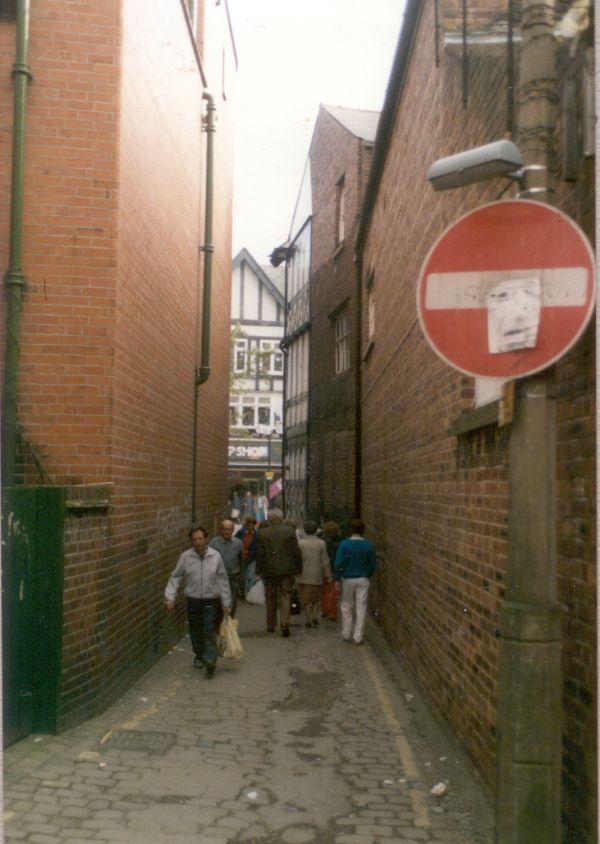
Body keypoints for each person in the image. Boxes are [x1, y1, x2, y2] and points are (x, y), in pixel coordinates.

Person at [164, 526, 232, 678]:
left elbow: (222, 580)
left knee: (209, 629)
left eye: (200, 538)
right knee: (195, 631)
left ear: (206, 539)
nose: (198, 542)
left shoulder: (215, 556)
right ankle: (200, 655)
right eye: (194, 539)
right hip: (193, 599)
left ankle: (210, 661)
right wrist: (170, 597)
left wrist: (226, 602)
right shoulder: (186, 557)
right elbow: (175, 576)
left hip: (210, 599)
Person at [255, 508, 302, 637]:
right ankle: (284, 624)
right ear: (281, 518)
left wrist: (258, 570)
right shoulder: (289, 532)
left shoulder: (263, 533)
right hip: (286, 570)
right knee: (285, 596)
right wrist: (298, 568)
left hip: (268, 570)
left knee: (270, 597)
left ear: (269, 519)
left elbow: (260, 554)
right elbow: (295, 552)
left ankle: (270, 625)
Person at [333, 518, 376, 645]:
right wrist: (367, 575)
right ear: (363, 530)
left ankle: (346, 633)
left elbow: (338, 563)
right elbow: (372, 564)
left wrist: (337, 578)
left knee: (346, 605)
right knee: (361, 607)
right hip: (363, 578)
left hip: (348, 578)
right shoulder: (368, 545)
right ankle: (358, 636)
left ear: (351, 530)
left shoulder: (344, 544)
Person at [297, 520, 332, 628]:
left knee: (305, 598)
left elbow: (297, 560)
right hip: (317, 574)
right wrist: (328, 574)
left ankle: (308, 618)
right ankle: (314, 616)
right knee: (316, 598)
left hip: (303, 574)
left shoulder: (300, 543)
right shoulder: (321, 543)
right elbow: (325, 560)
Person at [209, 520, 243, 617]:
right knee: (218, 602)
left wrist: (241, 577)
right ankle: (219, 625)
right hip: (218, 577)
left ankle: (229, 623)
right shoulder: (214, 543)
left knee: (232, 601)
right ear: (220, 530)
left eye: (229, 529)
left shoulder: (238, 543)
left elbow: (241, 560)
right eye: (224, 529)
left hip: (233, 576)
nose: (226, 532)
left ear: (232, 530)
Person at [321, 521, 341, 620]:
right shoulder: (339, 542)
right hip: (335, 569)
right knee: (334, 592)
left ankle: (325, 610)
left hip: (325, 568)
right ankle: (333, 612)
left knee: (324, 590)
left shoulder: (323, 541)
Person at [235, 515, 259, 595]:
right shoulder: (241, 533)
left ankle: (249, 593)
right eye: (248, 525)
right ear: (246, 525)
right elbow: (235, 541)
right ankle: (242, 592)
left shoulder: (256, 535)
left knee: (250, 576)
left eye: (252, 525)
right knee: (242, 576)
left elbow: (256, 546)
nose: (250, 527)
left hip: (251, 558)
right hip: (241, 557)